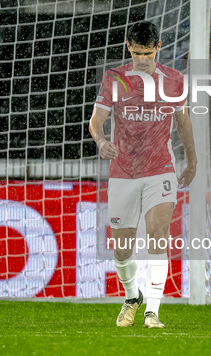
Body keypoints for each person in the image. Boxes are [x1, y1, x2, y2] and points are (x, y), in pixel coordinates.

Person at [89, 21, 197, 329]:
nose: (142, 60)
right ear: (128, 47)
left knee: (157, 236)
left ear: (158, 48)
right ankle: (131, 296)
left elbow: (183, 121)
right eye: (137, 53)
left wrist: (192, 160)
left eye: (148, 53)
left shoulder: (174, 79)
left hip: (160, 169)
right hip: (123, 172)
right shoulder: (115, 78)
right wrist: (101, 141)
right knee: (122, 249)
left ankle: (153, 311)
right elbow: (96, 120)